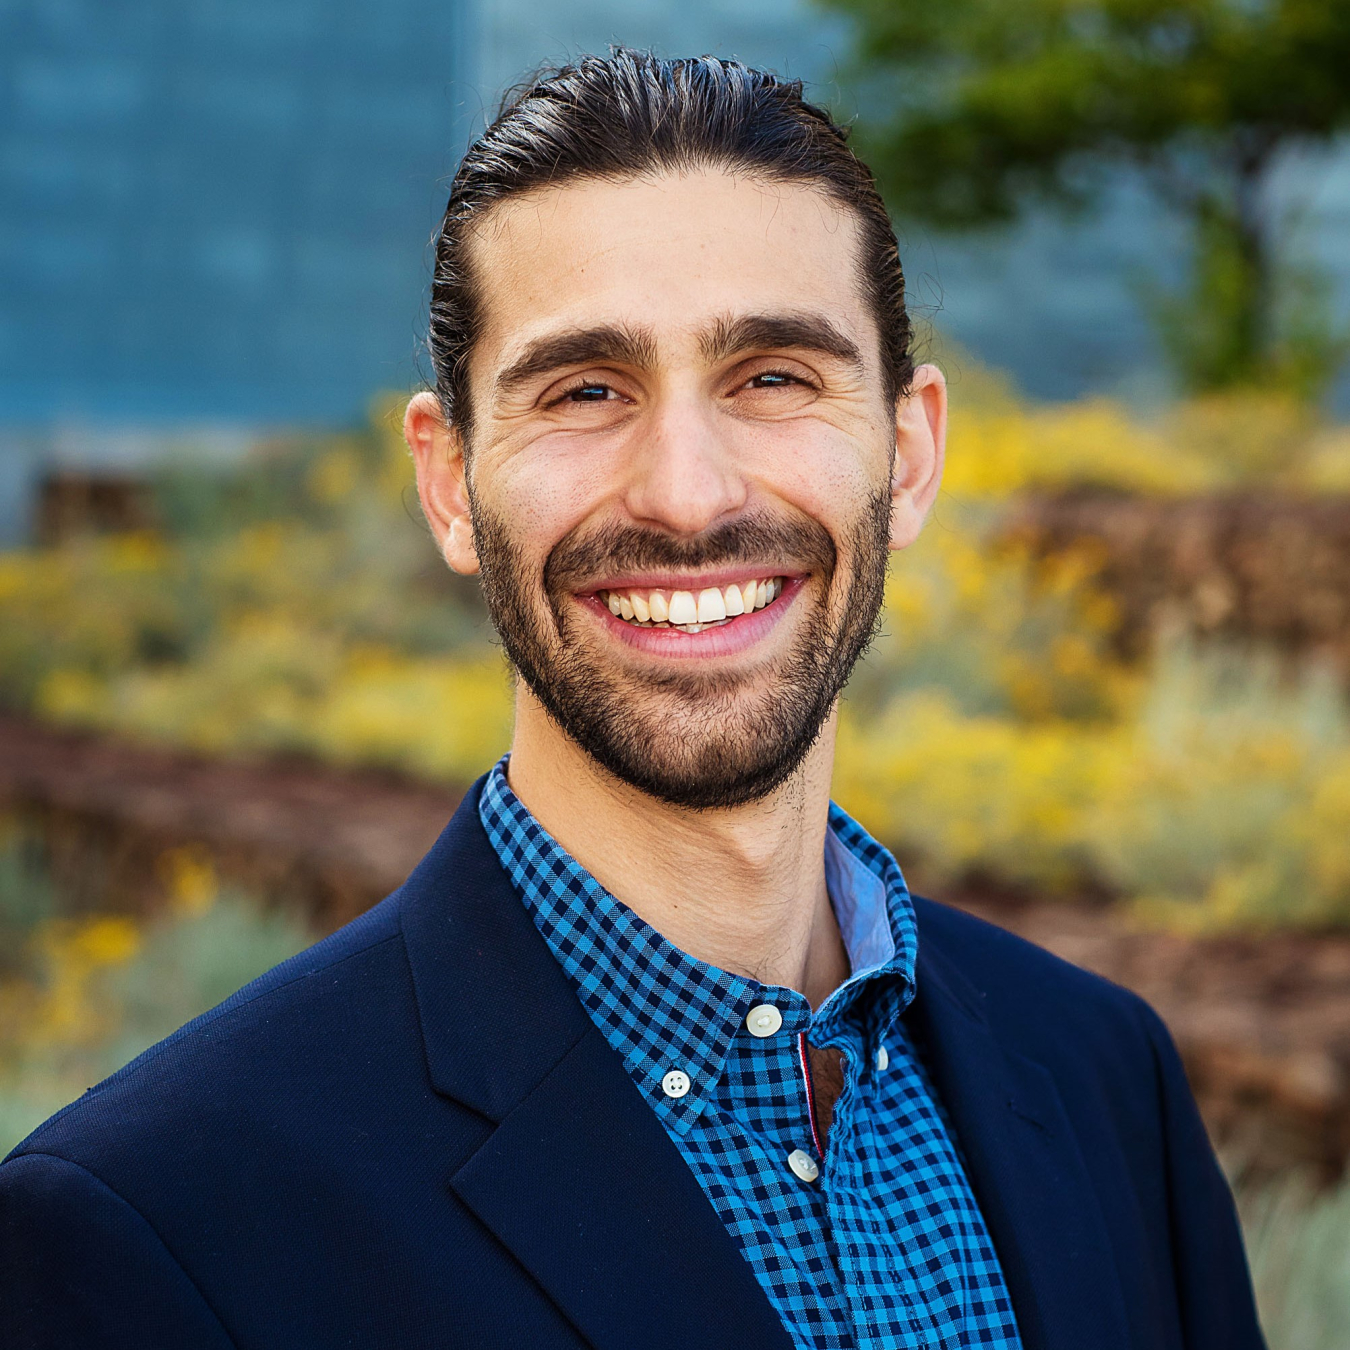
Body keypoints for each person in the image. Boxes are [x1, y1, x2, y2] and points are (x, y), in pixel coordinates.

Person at [1, 51, 1264, 1350]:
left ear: (907, 449)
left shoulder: (1107, 1078)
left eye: (773, 375)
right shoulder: (156, 1224)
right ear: (447, 483)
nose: (687, 492)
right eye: (585, 390)